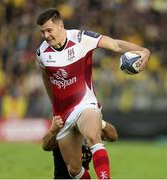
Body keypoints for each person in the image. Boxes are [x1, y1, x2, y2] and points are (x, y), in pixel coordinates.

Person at [36, 8, 150, 179]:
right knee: (74, 169)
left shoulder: (82, 38)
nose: (46, 35)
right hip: (63, 113)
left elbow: (115, 44)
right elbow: (47, 78)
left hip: (84, 104)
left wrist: (144, 51)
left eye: (49, 30)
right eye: (42, 32)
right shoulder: (41, 53)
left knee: (93, 138)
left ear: (61, 26)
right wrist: (55, 107)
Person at [42, 116, 118, 179]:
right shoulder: (64, 123)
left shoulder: (89, 123)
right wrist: (52, 131)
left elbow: (113, 136)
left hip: (83, 176)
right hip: (63, 177)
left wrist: (100, 122)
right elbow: (46, 146)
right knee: (74, 170)